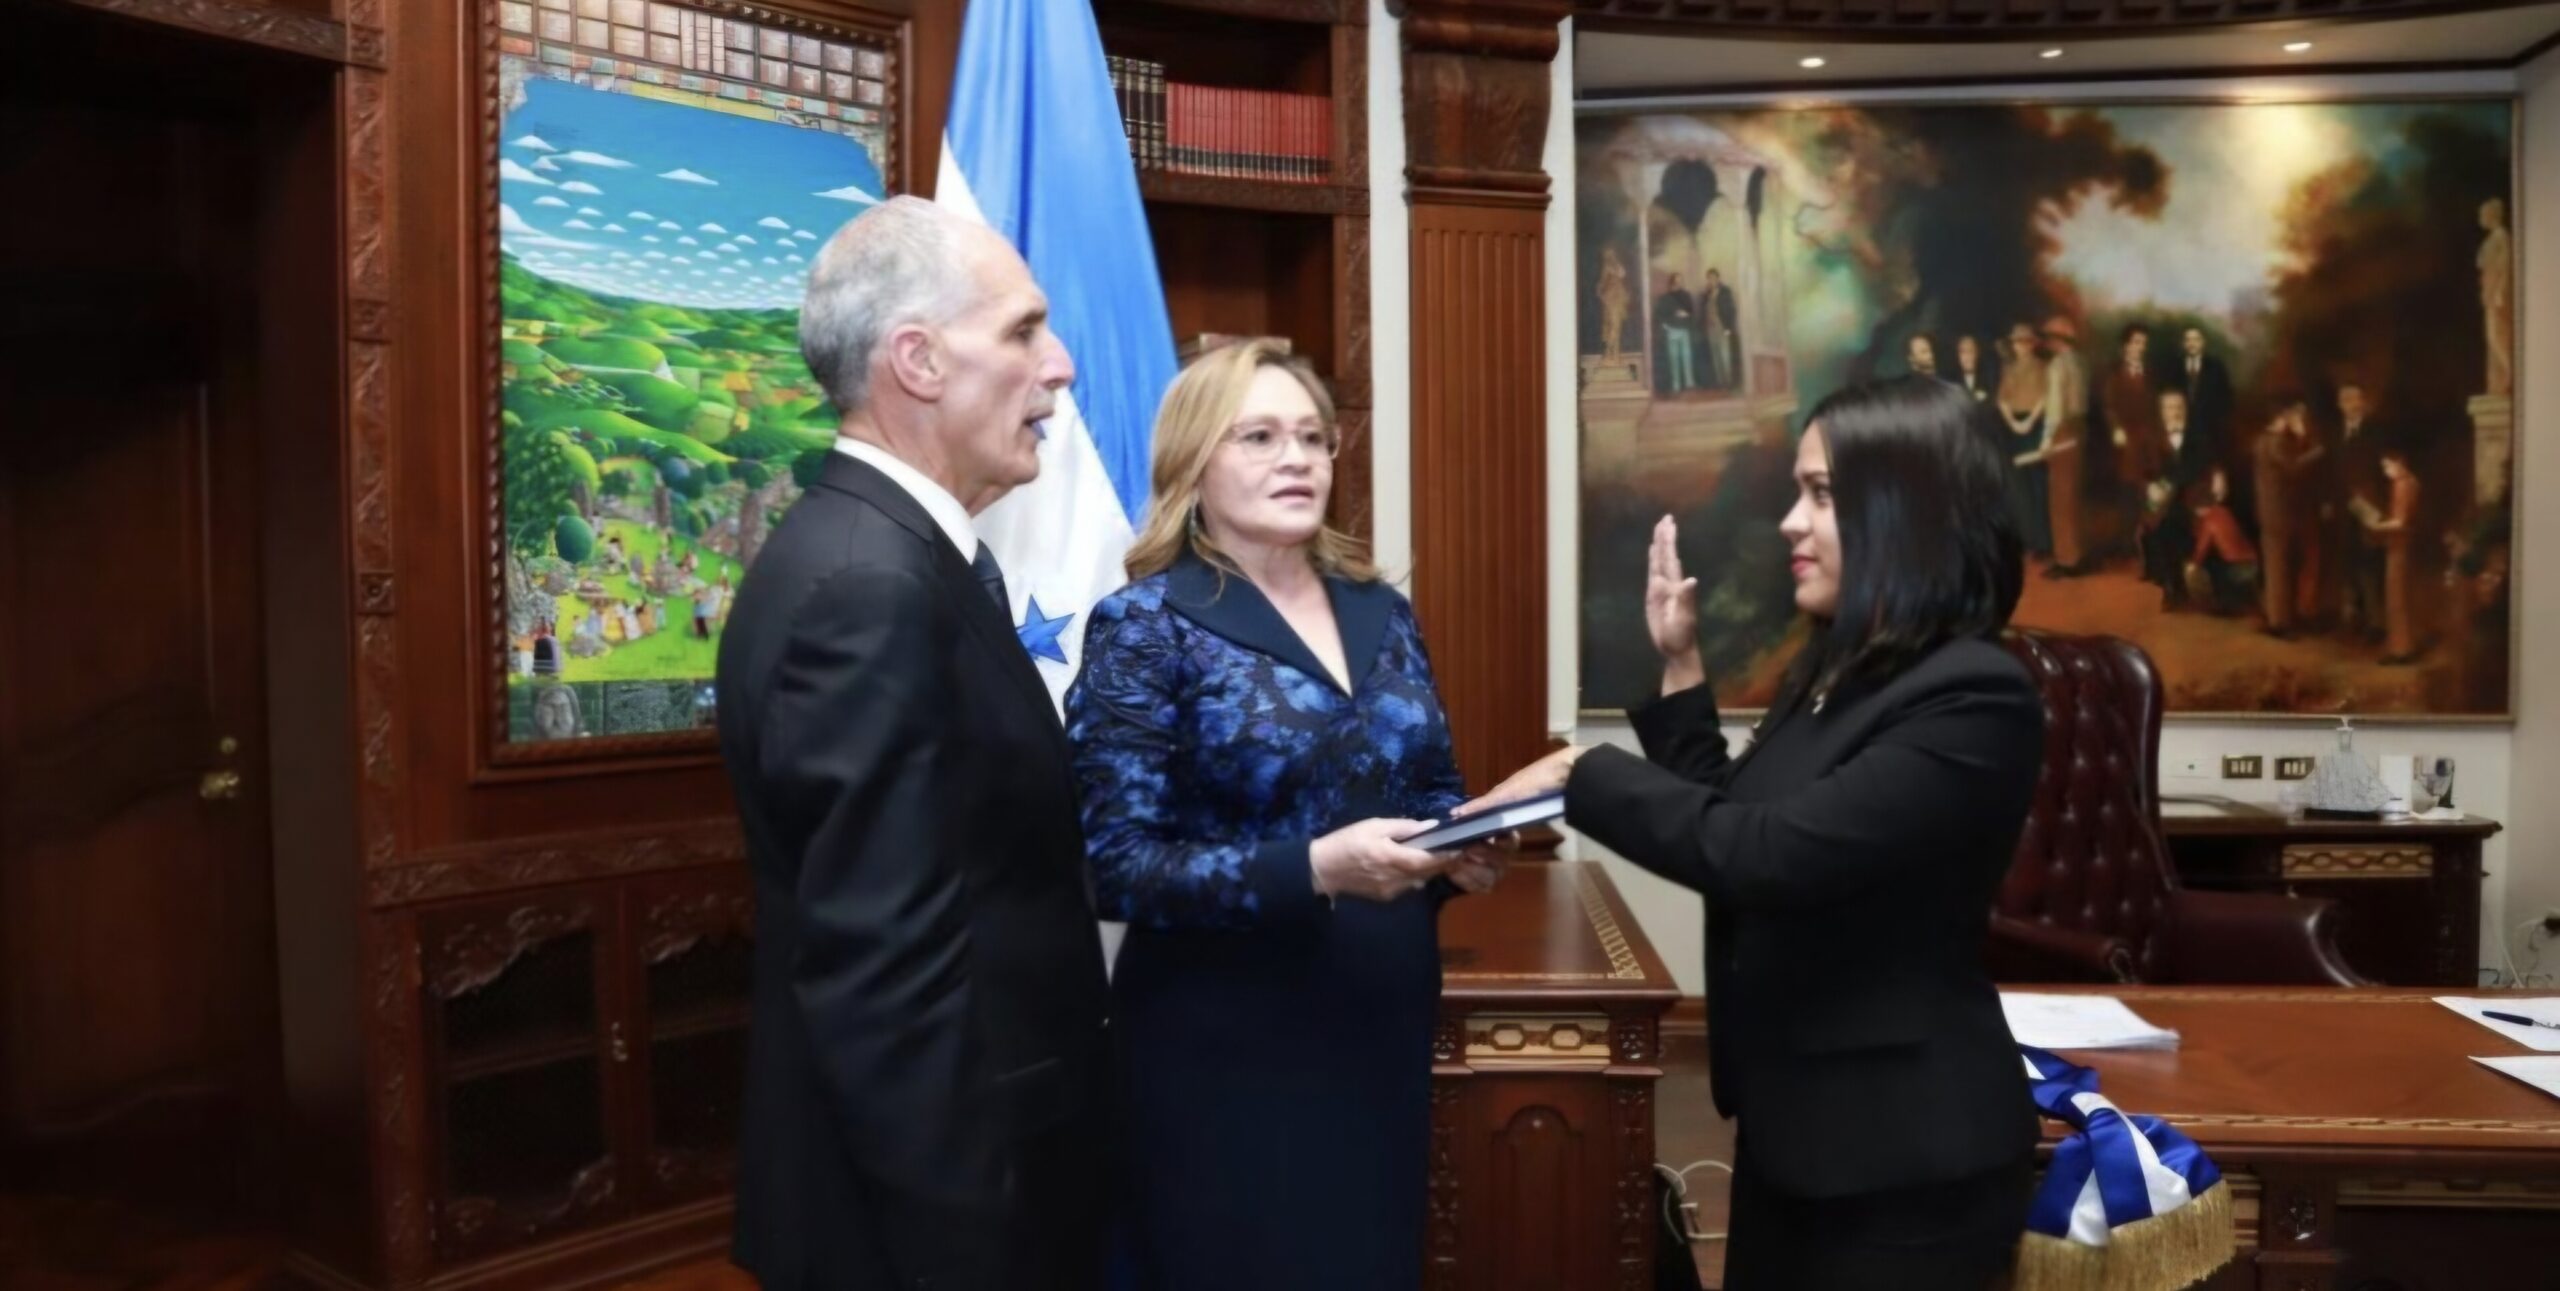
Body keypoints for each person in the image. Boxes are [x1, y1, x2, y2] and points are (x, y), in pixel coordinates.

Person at [1470, 376, 2043, 1289]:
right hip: (1800, 1133)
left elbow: (1773, 856)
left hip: (1906, 1163)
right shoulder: (1840, 668)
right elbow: (1737, 825)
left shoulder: (1975, 693)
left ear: (1907, 511)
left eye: (1820, 494)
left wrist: (1586, 774)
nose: (1789, 520)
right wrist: (1681, 663)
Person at [714, 195, 1109, 1291]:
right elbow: (888, 974)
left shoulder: (884, 555)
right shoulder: (867, 586)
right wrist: (965, 1249)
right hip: (938, 1218)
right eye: (1025, 331)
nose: (1062, 366)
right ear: (918, 361)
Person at [1064, 339, 1506, 1291]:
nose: (1297, 457)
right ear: (1195, 462)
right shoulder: (1144, 625)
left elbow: (1428, 787)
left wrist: (1459, 846)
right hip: (1222, 1043)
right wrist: (1312, 867)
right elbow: (1116, 866)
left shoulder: (1383, 609)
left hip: (1377, 1021)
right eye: (1259, 436)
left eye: (1312, 436)